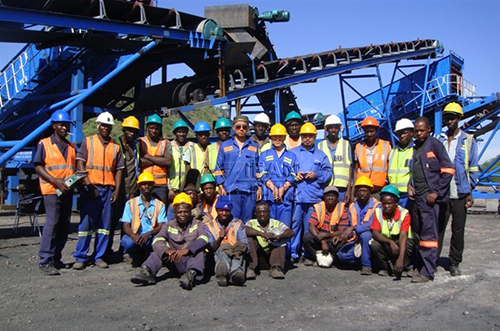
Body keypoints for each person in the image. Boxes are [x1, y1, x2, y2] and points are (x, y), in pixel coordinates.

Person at [73, 112, 124, 269]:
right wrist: (88, 184)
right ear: (98, 126)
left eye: (108, 126)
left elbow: (119, 170)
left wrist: (116, 191)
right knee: (86, 225)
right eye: (103, 125)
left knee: (104, 226)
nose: (105, 128)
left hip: (108, 190)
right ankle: (81, 257)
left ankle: (99, 256)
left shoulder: (115, 147)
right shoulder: (88, 142)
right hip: (90, 190)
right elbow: (80, 164)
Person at [408, 116, 454, 283]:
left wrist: (436, 192)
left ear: (428, 129)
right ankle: (420, 267)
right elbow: (416, 172)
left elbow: (448, 169)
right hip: (418, 198)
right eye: (416, 131)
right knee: (419, 234)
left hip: (429, 198)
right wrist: (410, 184)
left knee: (429, 235)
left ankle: (428, 272)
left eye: (422, 130)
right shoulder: (416, 148)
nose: (418, 133)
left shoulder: (434, 144)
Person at [130, 193, 208, 290]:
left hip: (191, 262)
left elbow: (204, 238)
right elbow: (157, 240)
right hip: (174, 260)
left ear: (190, 212)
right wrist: (166, 251)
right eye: (179, 212)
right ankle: (147, 272)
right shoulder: (168, 225)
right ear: (174, 212)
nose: (183, 215)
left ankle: (189, 277)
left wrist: (188, 250)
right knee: (158, 251)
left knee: (200, 251)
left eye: (186, 212)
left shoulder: (197, 224)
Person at [437, 102, 479, 276]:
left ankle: (454, 262)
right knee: (438, 228)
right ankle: (432, 260)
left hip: (460, 191)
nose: (450, 120)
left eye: (453, 117)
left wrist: (470, 191)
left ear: (459, 119)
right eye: (447, 117)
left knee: (458, 229)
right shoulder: (438, 139)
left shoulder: (468, 140)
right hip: (442, 191)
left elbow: (473, 167)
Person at [34, 110, 76, 275]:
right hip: (51, 190)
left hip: (67, 191)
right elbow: (38, 166)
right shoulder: (44, 144)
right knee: (52, 224)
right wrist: (55, 181)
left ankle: (56, 258)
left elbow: (71, 169)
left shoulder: (71, 147)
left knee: (64, 225)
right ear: (54, 126)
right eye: (61, 124)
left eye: (66, 125)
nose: (64, 127)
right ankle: (45, 260)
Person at [290, 122, 332, 263]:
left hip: (314, 197)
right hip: (297, 196)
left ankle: (307, 254)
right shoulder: (293, 153)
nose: (307, 139)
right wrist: (295, 174)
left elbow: (328, 173)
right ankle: (293, 253)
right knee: (295, 225)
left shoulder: (321, 155)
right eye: (305, 136)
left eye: (310, 136)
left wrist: (316, 174)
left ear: (315, 137)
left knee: (310, 226)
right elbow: (285, 171)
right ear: (301, 137)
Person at [105, 115, 141, 262]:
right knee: (111, 223)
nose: (131, 133)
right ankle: (106, 252)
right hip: (118, 191)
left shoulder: (136, 146)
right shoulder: (116, 145)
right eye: (129, 130)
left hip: (132, 190)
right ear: (124, 130)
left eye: (134, 131)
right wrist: (115, 190)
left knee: (128, 224)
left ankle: (124, 251)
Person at [215, 115, 260, 223]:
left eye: (244, 127)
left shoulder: (254, 146)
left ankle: (245, 240)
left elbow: (258, 169)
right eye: (238, 126)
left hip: (249, 191)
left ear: (248, 129)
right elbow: (218, 168)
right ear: (233, 128)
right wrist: (221, 186)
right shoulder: (225, 145)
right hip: (231, 190)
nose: (241, 129)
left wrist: (259, 187)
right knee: (233, 223)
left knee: (248, 222)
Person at [120, 172, 167, 267]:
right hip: (136, 236)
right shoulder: (130, 203)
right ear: (139, 186)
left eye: (149, 184)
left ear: (153, 186)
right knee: (126, 242)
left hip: (151, 237)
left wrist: (149, 233)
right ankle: (136, 255)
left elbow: (162, 225)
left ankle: (148, 255)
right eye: (143, 184)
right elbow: (125, 225)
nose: (146, 186)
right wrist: (133, 236)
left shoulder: (160, 204)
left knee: (159, 242)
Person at [258, 123, 297, 229]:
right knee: (269, 230)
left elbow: (294, 175)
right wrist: (274, 189)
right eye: (275, 136)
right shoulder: (264, 155)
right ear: (271, 137)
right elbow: (262, 174)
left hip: (286, 199)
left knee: (284, 229)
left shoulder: (292, 156)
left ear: (285, 137)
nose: (277, 139)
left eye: (280, 136)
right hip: (269, 199)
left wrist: (283, 189)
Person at [370, 185, 414, 277]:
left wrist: (401, 258)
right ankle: (386, 268)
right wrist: (390, 242)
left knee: (409, 243)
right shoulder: (378, 212)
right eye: (384, 203)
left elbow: (403, 236)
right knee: (374, 245)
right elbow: (375, 233)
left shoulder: (404, 213)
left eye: (389, 203)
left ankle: (403, 266)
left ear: (396, 203)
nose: (386, 206)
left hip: (400, 242)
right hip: (387, 243)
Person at [204, 196, 249, 286]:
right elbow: (210, 249)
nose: (224, 213)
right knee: (223, 250)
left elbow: (245, 244)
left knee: (239, 250)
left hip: (235, 251)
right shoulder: (209, 226)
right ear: (216, 210)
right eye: (221, 210)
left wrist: (239, 247)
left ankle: (236, 273)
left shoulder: (238, 223)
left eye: (227, 211)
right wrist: (220, 238)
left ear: (230, 211)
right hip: (219, 253)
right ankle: (222, 273)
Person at [245, 202, 294, 279]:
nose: (262, 214)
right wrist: (261, 234)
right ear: (255, 213)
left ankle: (276, 268)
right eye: (259, 212)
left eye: (264, 212)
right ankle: (251, 268)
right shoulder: (251, 223)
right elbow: (245, 230)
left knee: (281, 238)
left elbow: (290, 232)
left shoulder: (276, 223)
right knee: (249, 238)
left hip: (272, 257)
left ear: (269, 212)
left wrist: (279, 237)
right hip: (258, 258)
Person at [302, 186, 348, 267]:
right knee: (307, 237)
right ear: (324, 197)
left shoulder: (342, 208)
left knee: (340, 243)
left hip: (333, 239)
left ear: (337, 197)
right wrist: (322, 241)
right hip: (321, 239)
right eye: (328, 196)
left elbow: (342, 230)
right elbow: (311, 226)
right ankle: (319, 258)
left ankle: (334, 259)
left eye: (333, 196)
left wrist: (326, 235)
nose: (330, 198)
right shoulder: (319, 206)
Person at [347, 176, 380, 275]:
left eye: (365, 190)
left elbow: (372, 224)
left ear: (370, 191)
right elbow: (349, 223)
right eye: (360, 190)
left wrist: (355, 228)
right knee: (342, 255)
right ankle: (360, 260)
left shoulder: (377, 205)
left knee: (365, 235)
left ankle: (367, 265)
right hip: (355, 236)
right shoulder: (352, 205)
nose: (362, 193)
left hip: (370, 235)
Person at [318, 115, 352, 202]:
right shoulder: (320, 145)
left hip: (342, 189)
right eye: (331, 127)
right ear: (327, 129)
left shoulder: (346, 144)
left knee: (341, 213)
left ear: (339, 129)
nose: (333, 130)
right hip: (325, 187)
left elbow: (350, 169)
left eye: (336, 127)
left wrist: (349, 190)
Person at [354, 116, 391, 194]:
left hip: (380, 189)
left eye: (372, 131)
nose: (369, 134)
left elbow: (389, 167)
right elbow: (356, 169)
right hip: (363, 189)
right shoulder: (359, 147)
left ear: (377, 130)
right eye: (367, 132)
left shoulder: (386, 145)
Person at [139, 114, 171, 204]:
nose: (154, 131)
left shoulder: (165, 143)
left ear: (160, 129)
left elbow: (168, 162)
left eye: (156, 128)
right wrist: (160, 160)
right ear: (147, 128)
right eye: (151, 128)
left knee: (160, 211)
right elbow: (139, 162)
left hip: (160, 185)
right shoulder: (140, 142)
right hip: (145, 183)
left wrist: (147, 156)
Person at [388, 118, 414, 208]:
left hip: (408, 195)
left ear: (412, 132)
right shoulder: (393, 151)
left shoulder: (416, 150)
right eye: (399, 133)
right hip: (393, 193)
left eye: (405, 132)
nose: (402, 135)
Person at [169, 120, 193, 200]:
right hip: (173, 189)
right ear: (174, 133)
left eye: (184, 132)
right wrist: (169, 188)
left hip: (187, 189)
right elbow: (165, 170)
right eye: (179, 132)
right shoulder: (169, 146)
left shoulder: (192, 147)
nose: (181, 134)